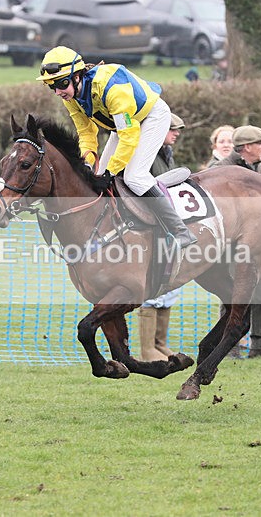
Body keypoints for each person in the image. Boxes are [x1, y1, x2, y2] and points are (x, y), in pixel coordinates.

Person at [37, 46, 197, 249]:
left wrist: (111, 171)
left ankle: (180, 230)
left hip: (151, 118)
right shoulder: (71, 97)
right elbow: (86, 134)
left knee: (134, 177)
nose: (58, 92)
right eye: (53, 87)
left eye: (62, 83)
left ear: (77, 76)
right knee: (98, 177)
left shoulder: (111, 88)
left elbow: (129, 136)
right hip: (122, 126)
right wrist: (86, 164)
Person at [139, 113, 186, 361]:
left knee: (168, 284)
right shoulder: (147, 153)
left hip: (166, 225)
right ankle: (147, 349)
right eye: (173, 129)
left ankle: (160, 343)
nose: (176, 133)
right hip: (151, 227)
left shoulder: (165, 154)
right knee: (153, 283)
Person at [227, 125, 261, 358]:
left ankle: (259, 346)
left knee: (260, 296)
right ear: (247, 147)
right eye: (260, 145)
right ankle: (230, 347)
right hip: (231, 246)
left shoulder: (259, 168)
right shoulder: (222, 170)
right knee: (233, 296)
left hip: (259, 245)